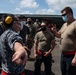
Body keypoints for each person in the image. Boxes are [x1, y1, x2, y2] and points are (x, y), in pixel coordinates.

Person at [51, 6, 76, 75]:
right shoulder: (64, 24)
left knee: (71, 73)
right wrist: (55, 31)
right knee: (63, 72)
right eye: (62, 15)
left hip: (72, 55)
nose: (63, 17)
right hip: (63, 55)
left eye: (64, 15)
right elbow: (59, 35)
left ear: (70, 14)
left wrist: (75, 58)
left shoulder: (75, 24)